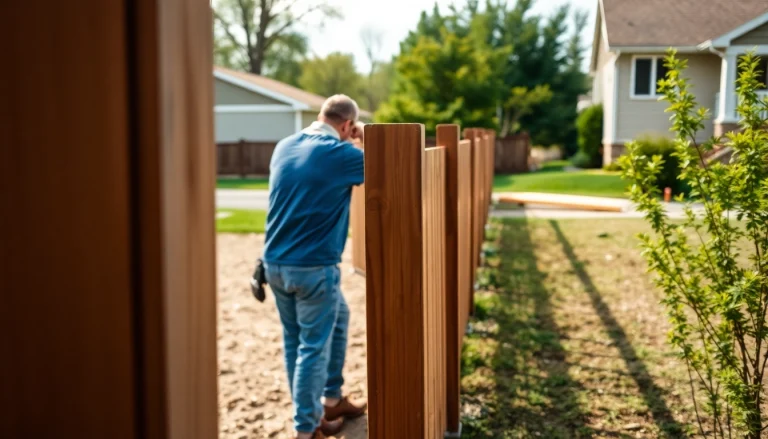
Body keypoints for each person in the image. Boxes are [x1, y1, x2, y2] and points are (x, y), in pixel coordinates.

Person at [263, 95, 368, 439]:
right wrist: (366, 139)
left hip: (274, 264)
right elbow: (395, 165)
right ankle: (306, 430)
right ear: (347, 126)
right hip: (313, 269)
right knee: (311, 348)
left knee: (325, 325)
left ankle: (331, 399)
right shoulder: (342, 154)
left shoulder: (284, 146)